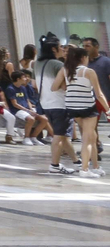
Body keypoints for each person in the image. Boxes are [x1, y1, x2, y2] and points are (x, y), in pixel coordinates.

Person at [56, 46, 105, 177]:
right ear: (83, 58)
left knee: (92, 136)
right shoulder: (89, 72)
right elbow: (99, 94)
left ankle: (95, 166)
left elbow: (55, 86)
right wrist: (108, 109)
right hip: (87, 107)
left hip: (72, 107)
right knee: (88, 139)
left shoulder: (66, 70)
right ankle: (84, 169)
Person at [38, 38, 79, 174]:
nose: (63, 49)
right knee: (59, 135)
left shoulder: (37, 64)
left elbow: (34, 84)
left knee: (63, 135)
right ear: (54, 49)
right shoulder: (57, 65)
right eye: (60, 47)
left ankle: (76, 162)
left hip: (45, 103)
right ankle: (54, 165)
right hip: (60, 103)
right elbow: (62, 85)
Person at [4, 69, 48, 146]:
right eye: (24, 77)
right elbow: (15, 104)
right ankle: (26, 137)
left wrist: (31, 109)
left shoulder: (23, 88)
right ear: (18, 79)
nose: (26, 79)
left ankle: (33, 137)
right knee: (31, 119)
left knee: (44, 119)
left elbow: (27, 100)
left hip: (27, 109)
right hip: (17, 110)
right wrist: (27, 110)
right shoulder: (10, 89)